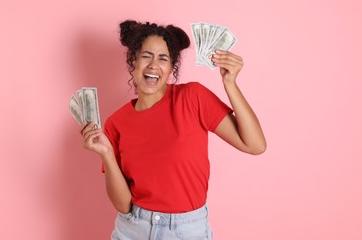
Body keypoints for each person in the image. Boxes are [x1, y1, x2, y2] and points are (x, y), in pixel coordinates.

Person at [80, 20, 266, 240]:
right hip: (133, 230)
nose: (153, 65)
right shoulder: (115, 123)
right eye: (146, 56)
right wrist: (107, 154)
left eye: (163, 58)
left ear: (171, 68)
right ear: (134, 61)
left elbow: (255, 145)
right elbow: (123, 205)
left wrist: (230, 84)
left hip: (186, 230)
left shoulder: (192, 97)